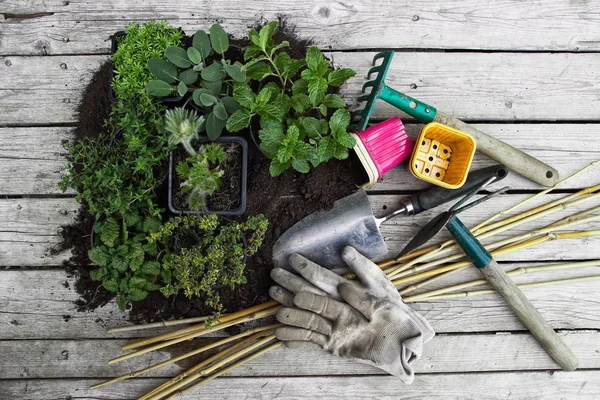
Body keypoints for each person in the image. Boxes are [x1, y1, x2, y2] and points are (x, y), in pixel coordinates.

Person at [269, 246, 435, 383]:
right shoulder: (407, 333)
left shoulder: (394, 355)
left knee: (304, 301)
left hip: (384, 328)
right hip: (390, 318)